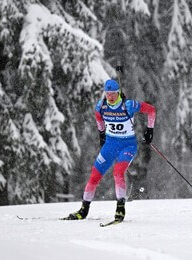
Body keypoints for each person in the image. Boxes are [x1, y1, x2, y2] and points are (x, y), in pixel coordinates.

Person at [64, 79, 156, 221]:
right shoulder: (101, 106)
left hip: (127, 146)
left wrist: (149, 130)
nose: (110, 97)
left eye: (113, 94)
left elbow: (151, 110)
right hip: (110, 145)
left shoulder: (128, 105)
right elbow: (98, 118)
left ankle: (120, 208)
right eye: (107, 94)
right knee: (94, 176)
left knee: (118, 172)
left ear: (118, 92)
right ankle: (83, 210)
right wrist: (102, 133)